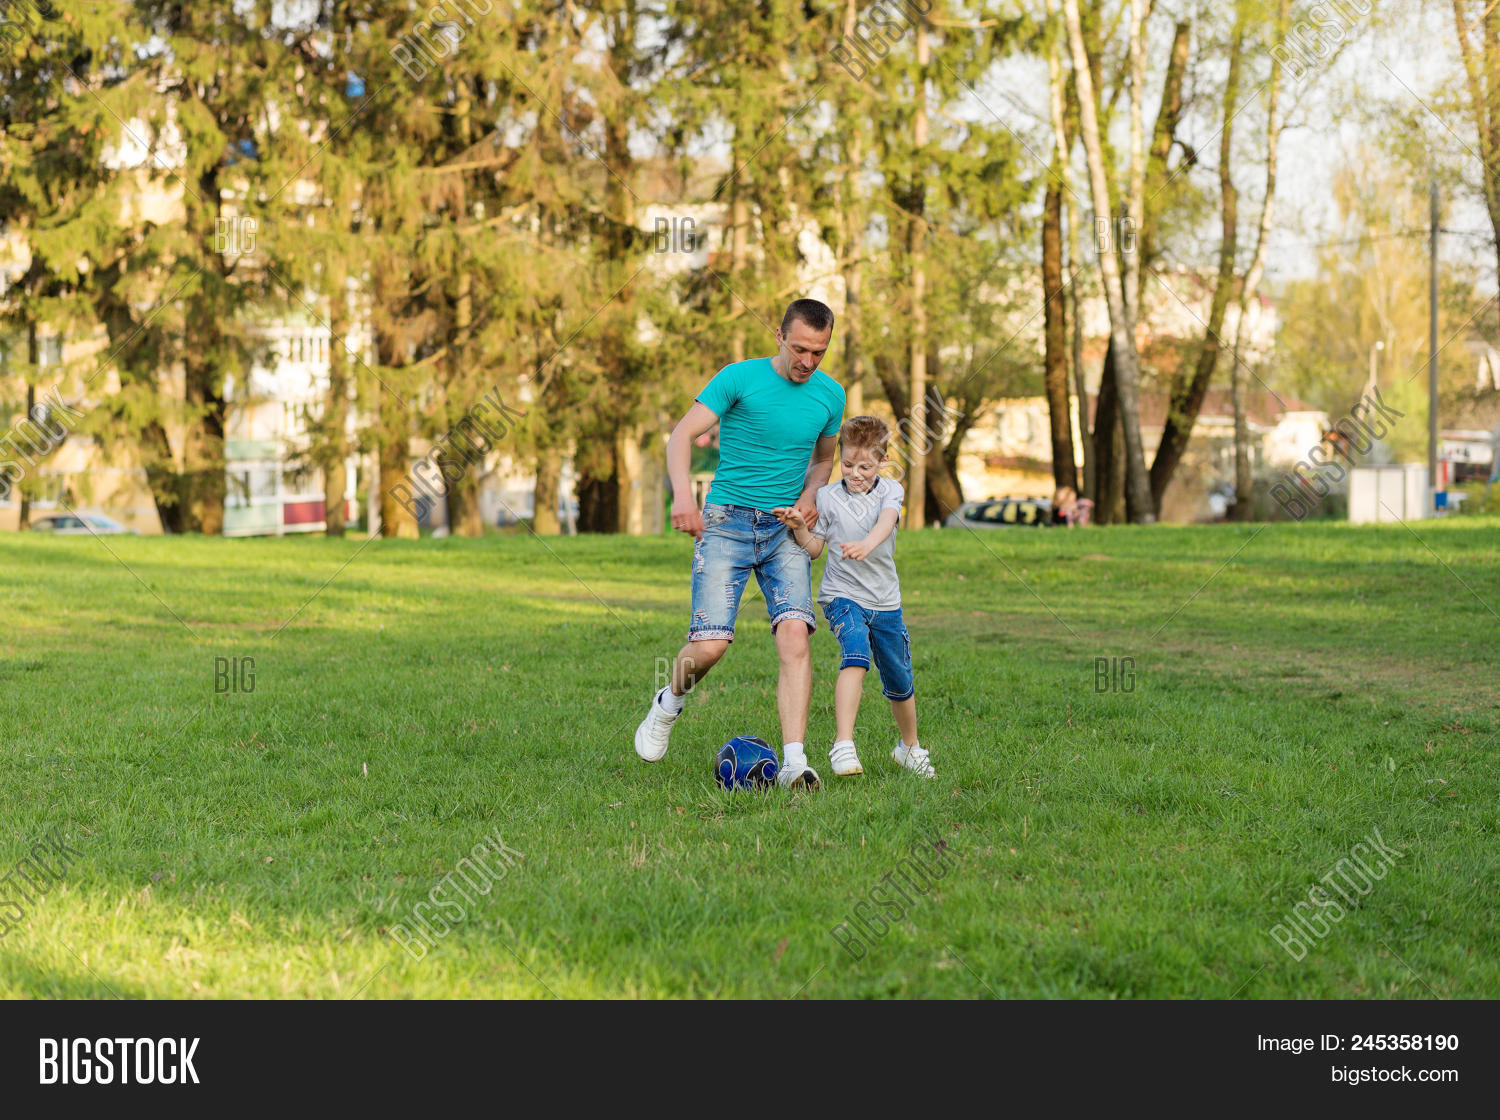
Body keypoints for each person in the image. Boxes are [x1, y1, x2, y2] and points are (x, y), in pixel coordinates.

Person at [634, 299, 845, 788]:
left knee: (795, 636)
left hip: (784, 529)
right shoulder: (738, 377)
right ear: (779, 335)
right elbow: (681, 435)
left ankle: (795, 761)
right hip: (725, 522)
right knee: (710, 646)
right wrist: (684, 497)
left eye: (819, 352)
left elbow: (822, 460)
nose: (808, 362)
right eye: (800, 349)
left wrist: (811, 495)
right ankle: (668, 704)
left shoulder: (831, 395)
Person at [776, 415, 933, 780]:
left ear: (882, 460)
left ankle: (909, 748)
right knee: (856, 654)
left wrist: (866, 544)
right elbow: (816, 549)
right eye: (847, 464)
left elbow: (886, 521)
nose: (855, 473)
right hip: (842, 596)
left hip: (885, 601)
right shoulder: (828, 497)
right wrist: (801, 530)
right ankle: (843, 744)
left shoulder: (891, 490)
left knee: (899, 678)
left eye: (865, 466)